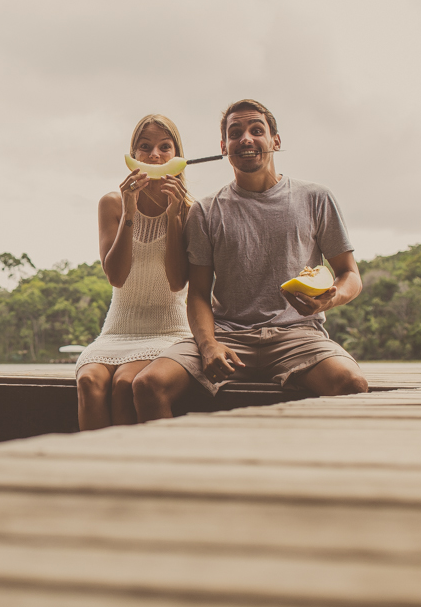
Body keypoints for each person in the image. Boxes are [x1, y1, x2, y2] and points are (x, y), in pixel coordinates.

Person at [132, 99, 368, 421]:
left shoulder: (316, 198)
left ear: (275, 141)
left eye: (256, 130)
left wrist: (330, 299)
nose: (245, 138)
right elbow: (198, 293)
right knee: (148, 384)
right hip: (227, 336)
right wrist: (208, 345)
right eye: (235, 132)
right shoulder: (205, 210)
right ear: (224, 147)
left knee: (351, 383)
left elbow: (349, 274)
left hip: (298, 335)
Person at [75, 114, 192, 430]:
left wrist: (173, 216)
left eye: (164, 147)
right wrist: (129, 210)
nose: (155, 156)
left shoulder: (190, 209)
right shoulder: (112, 203)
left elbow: (176, 280)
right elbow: (116, 276)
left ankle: (130, 472)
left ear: (177, 155)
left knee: (126, 382)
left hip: (168, 330)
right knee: (88, 381)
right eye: (145, 147)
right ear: (134, 155)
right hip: (117, 328)